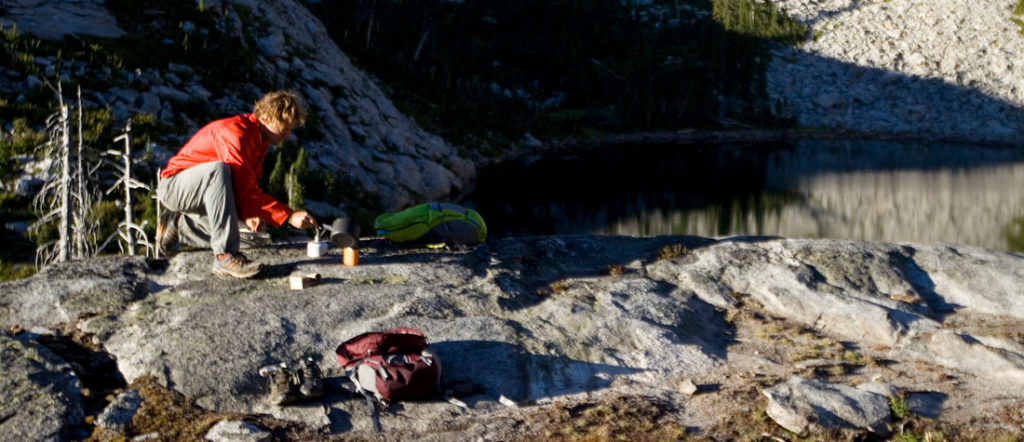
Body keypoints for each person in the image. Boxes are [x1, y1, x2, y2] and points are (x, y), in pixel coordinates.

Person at [155, 90, 319, 278]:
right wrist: (288, 215)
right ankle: (224, 256)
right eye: (285, 128)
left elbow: (246, 184)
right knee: (217, 170)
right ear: (267, 117)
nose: (288, 135)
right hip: (174, 187)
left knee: (253, 239)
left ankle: (180, 226)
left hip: (206, 195)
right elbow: (242, 188)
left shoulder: (260, 140)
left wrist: (250, 215)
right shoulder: (236, 133)